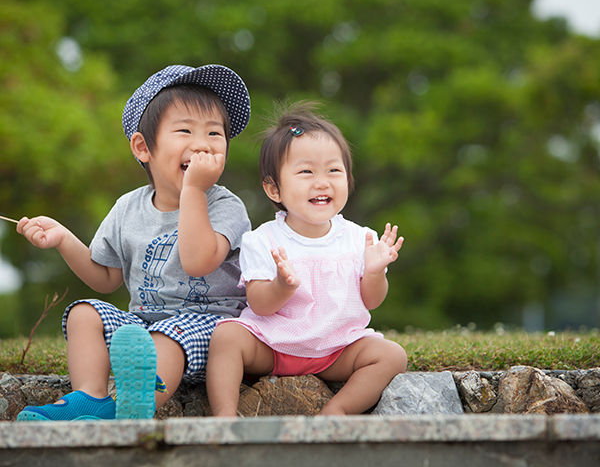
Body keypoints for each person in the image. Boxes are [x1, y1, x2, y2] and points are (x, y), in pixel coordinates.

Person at [15, 64, 252, 421]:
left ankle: (127, 409)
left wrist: (194, 192)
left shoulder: (224, 205)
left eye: (215, 133)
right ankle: (90, 398)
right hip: (140, 329)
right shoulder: (128, 207)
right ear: (143, 147)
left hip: (211, 330)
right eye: (185, 130)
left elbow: (198, 261)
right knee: (85, 313)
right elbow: (106, 278)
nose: (202, 143)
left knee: (166, 336)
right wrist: (64, 240)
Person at [205, 101, 407, 417]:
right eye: (306, 171)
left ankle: (337, 411)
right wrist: (282, 287)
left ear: (348, 179)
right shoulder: (263, 239)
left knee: (392, 355)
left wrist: (375, 273)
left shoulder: (359, 238)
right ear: (274, 188)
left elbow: (371, 301)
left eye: (333, 170)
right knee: (226, 336)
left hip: (337, 349)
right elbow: (258, 304)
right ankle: (225, 416)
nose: (322, 181)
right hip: (272, 347)